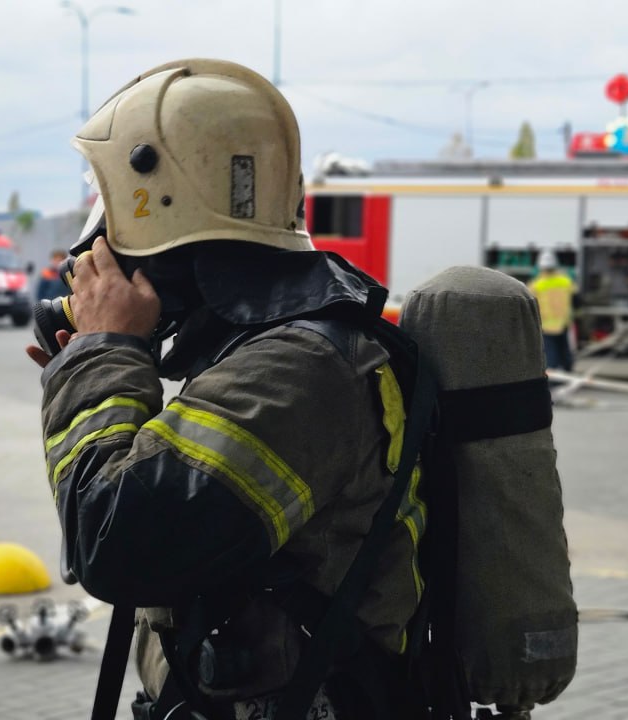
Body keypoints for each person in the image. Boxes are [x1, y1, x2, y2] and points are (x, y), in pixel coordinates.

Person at [25, 60, 420, 719]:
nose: (96, 245)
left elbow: (115, 543)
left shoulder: (299, 368)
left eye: (113, 208)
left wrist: (104, 355)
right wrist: (107, 363)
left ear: (164, 218)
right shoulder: (275, 352)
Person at [530, 249, 575, 371]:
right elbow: (576, 296)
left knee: (551, 353)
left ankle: (554, 379)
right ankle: (568, 371)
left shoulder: (536, 284)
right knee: (565, 350)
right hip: (563, 323)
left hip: (547, 324)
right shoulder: (565, 281)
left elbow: (531, 305)